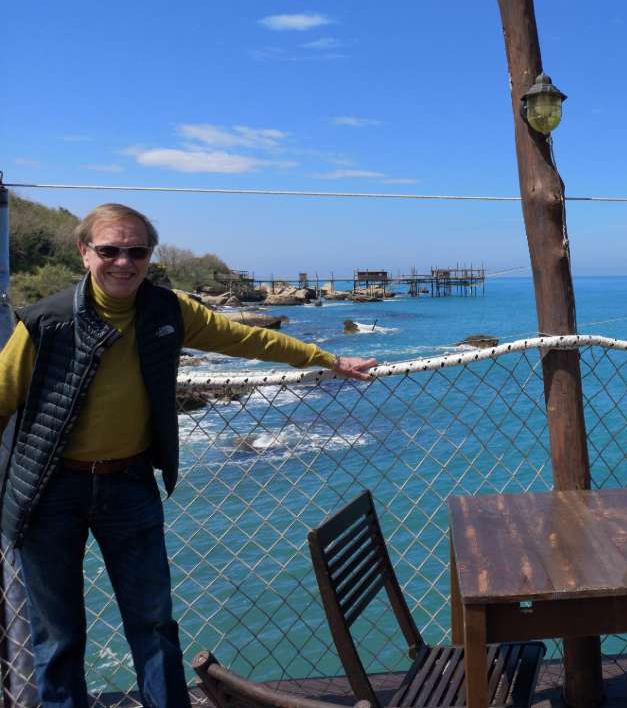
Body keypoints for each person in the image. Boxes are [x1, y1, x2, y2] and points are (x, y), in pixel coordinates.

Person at [0, 203, 377, 708]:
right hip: (48, 489)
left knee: (154, 625)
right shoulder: (45, 322)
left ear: (149, 255)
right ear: (84, 252)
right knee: (59, 635)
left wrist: (327, 358)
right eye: (109, 250)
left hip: (128, 482)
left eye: (136, 251)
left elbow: (244, 337)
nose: (123, 262)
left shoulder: (167, 311)